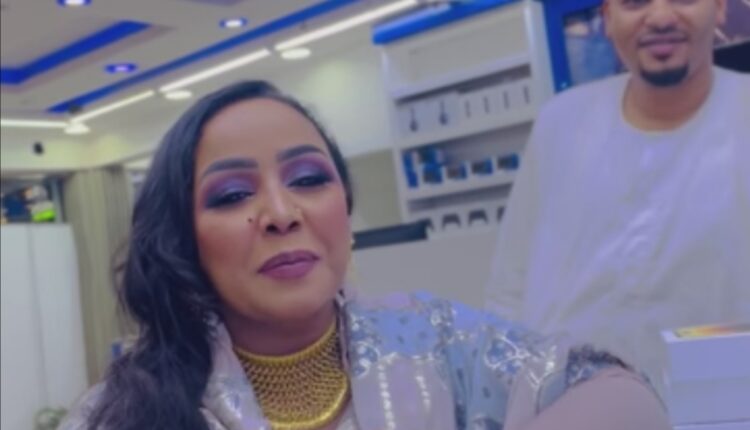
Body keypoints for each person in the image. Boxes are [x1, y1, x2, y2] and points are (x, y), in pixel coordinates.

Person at [60, 81, 670, 430]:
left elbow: (622, 394)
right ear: (182, 240)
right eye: (233, 194)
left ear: (345, 214)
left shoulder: (436, 343)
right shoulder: (121, 414)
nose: (281, 212)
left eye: (308, 179)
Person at [486, 0, 749, 396]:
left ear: (721, 8)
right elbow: (510, 284)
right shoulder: (562, 124)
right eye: (634, 3)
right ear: (608, 19)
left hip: (721, 403)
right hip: (568, 404)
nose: (660, 17)